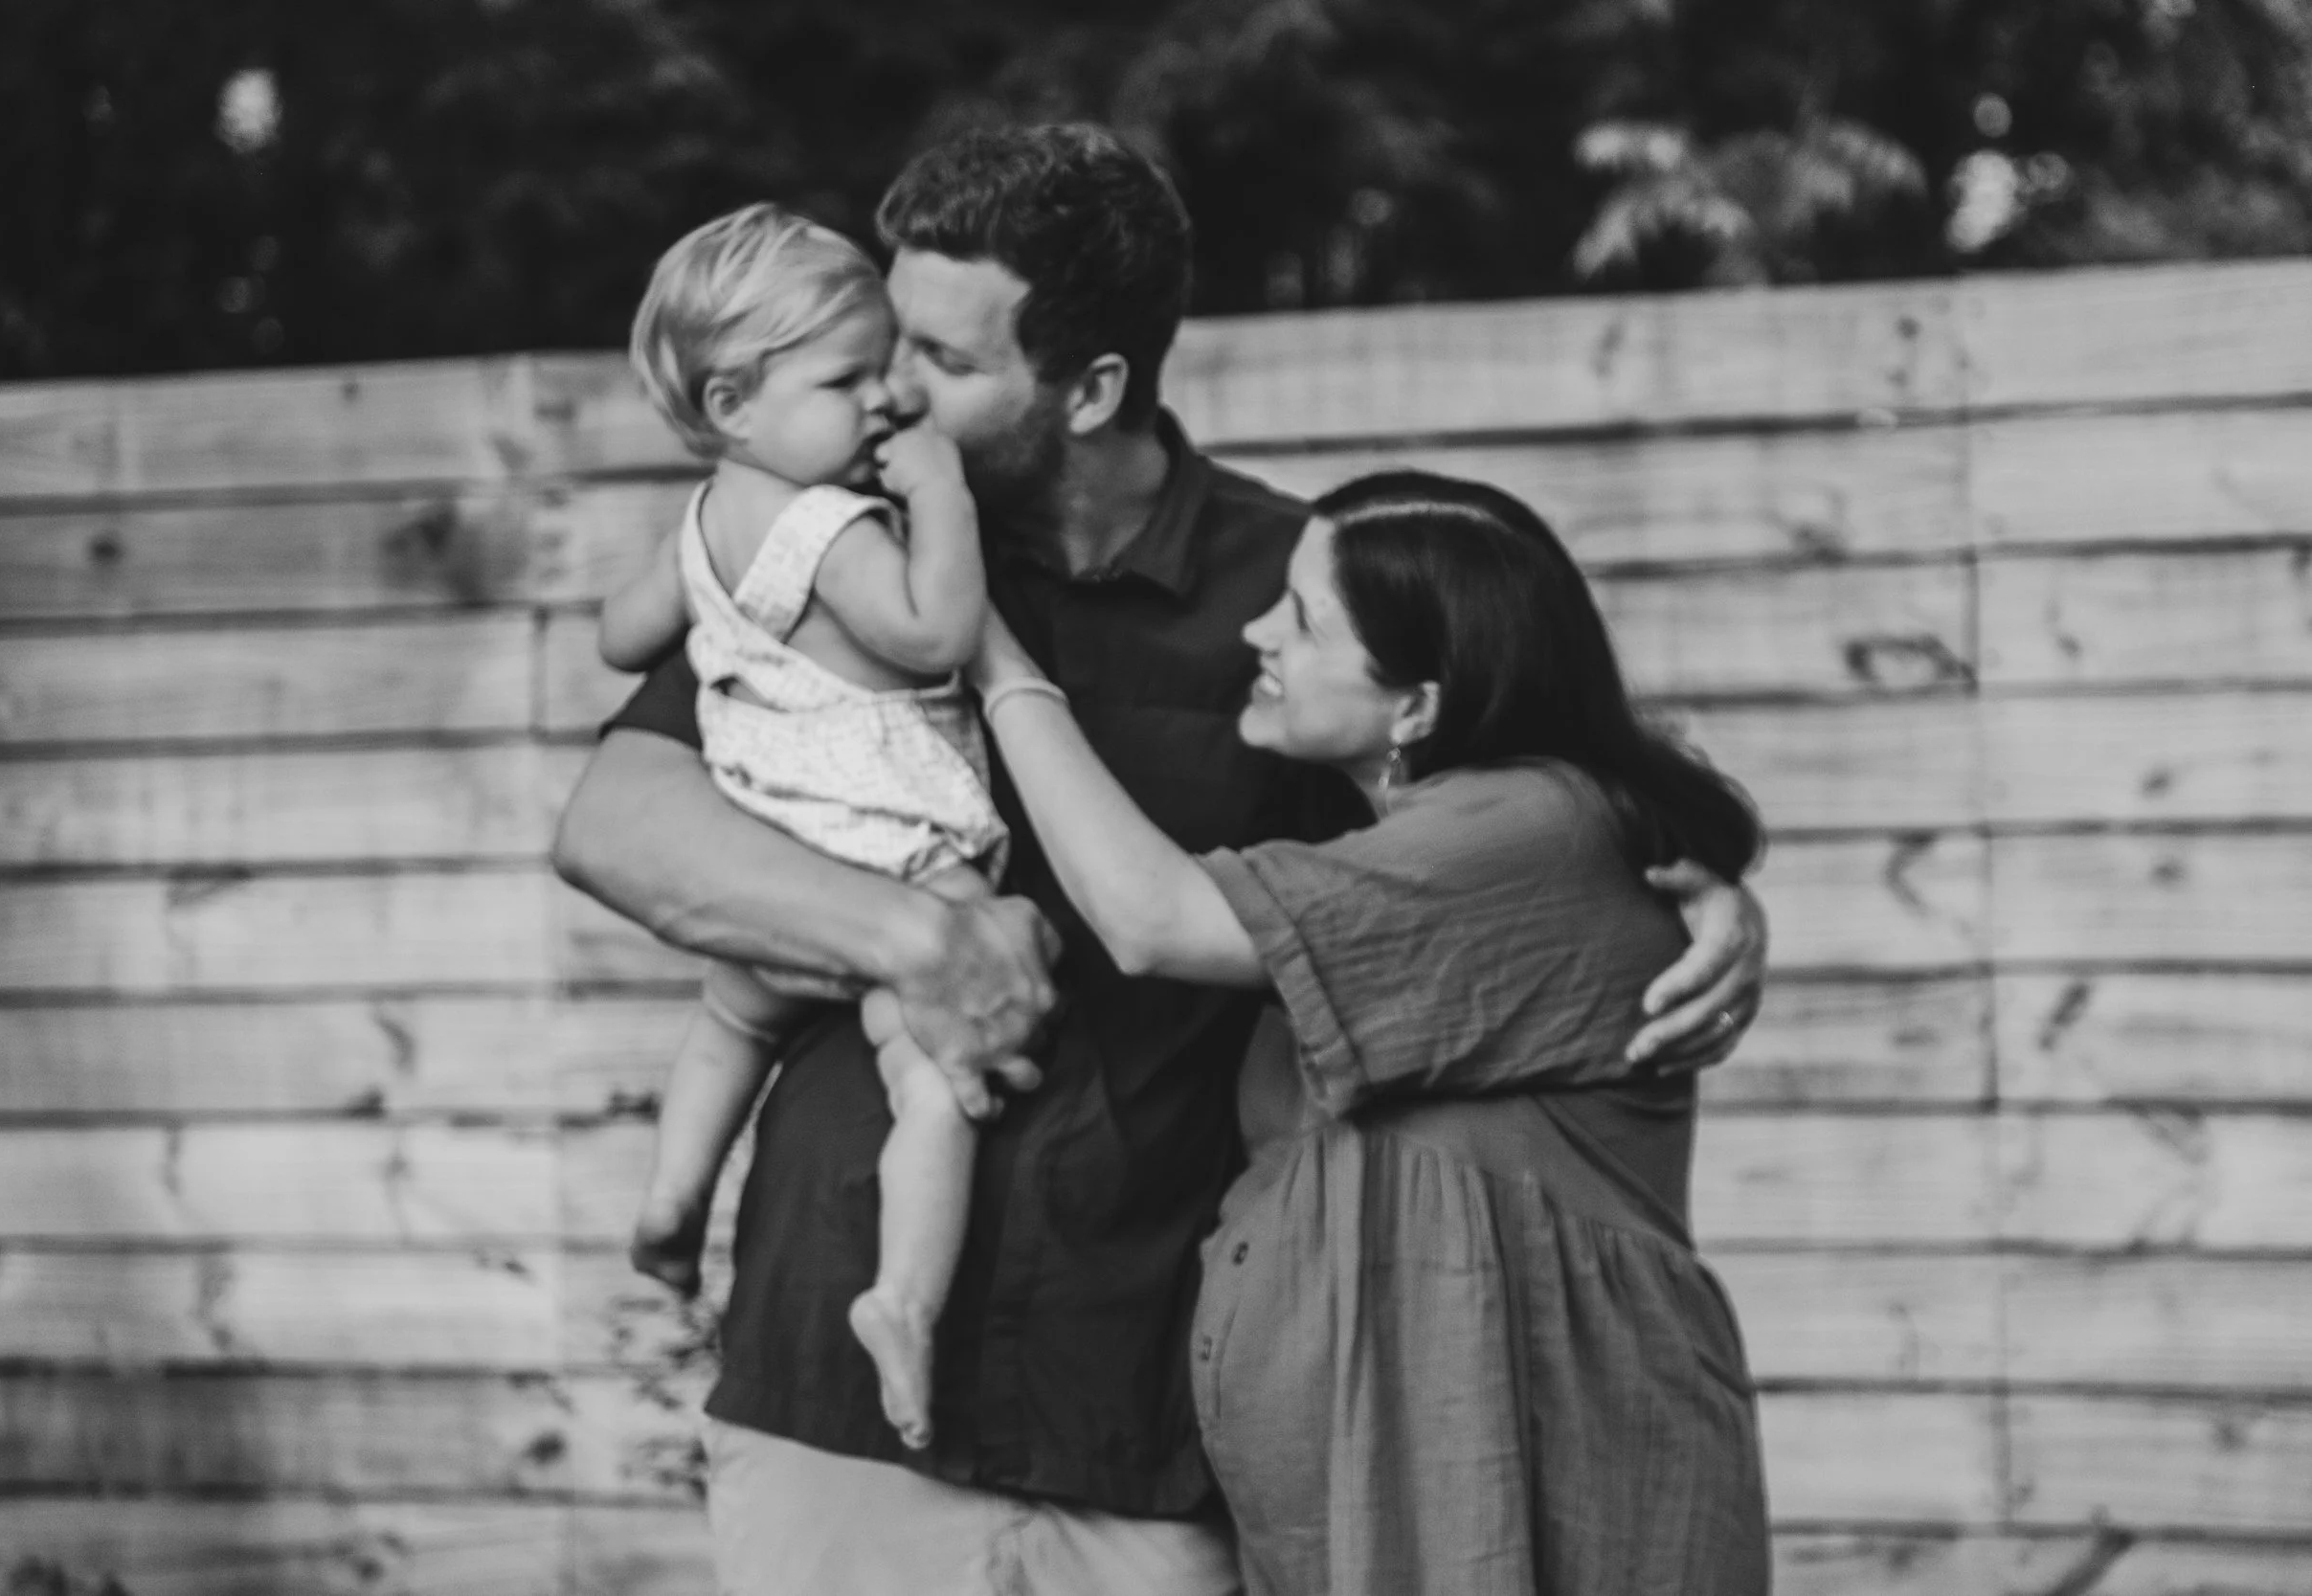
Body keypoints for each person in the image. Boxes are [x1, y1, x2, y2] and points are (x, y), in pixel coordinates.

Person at [552, 124, 1769, 1596]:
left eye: (938, 358)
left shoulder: (1300, 599)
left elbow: (1507, 812)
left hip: (1156, 1407)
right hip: (841, 1383)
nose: (887, 387)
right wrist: (906, 937)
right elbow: (614, 822)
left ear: (1094, 386)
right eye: (880, 342)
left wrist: (1695, 897)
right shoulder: (839, 545)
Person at [968, 470, 1773, 1594]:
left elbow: (1152, 918)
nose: (1256, 630)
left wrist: (997, 663)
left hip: (1535, 1491)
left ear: (1417, 707)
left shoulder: (1525, 826)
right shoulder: (1431, 830)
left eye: (1298, 617)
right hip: (1385, 1502)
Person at [594, 201, 1006, 1450]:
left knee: (728, 1022)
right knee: (937, 1074)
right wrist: (940, 493)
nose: (885, 400)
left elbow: (617, 638)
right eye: (849, 379)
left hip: (770, 862)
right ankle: (906, 1299)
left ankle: (670, 1203)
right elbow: (934, 632)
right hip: (892, 857)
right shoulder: (828, 526)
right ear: (733, 405)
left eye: (889, 368)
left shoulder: (703, 519)